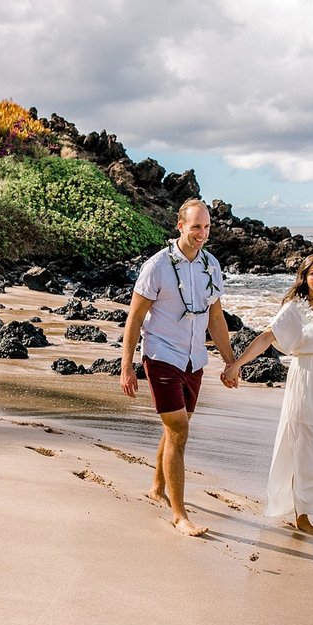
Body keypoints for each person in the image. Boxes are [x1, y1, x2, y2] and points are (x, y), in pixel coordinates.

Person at [223, 252, 313, 540]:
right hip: (308, 383)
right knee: (306, 453)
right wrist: (237, 364)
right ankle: (302, 516)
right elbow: (267, 337)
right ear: (304, 276)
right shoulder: (295, 309)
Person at [120, 198, 238, 536]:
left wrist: (230, 361)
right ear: (180, 225)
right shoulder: (157, 266)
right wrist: (127, 366)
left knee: (176, 427)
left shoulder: (211, 265)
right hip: (161, 356)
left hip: (194, 360)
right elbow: (135, 317)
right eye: (196, 226)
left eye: (207, 227)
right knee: (179, 431)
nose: (202, 233)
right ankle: (179, 514)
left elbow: (215, 318)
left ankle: (157, 486)